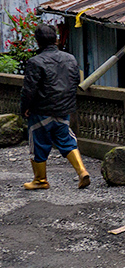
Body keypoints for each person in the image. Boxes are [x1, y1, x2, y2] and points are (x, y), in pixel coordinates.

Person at [20, 23, 90, 190]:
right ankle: (82, 172)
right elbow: (75, 82)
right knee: (66, 140)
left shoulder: (35, 62)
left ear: (37, 41)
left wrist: (24, 108)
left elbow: (29, 89)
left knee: (39, 143)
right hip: (63, 109)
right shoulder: (70, 58)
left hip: (41, 111)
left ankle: (40, 180)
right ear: (56, 39)